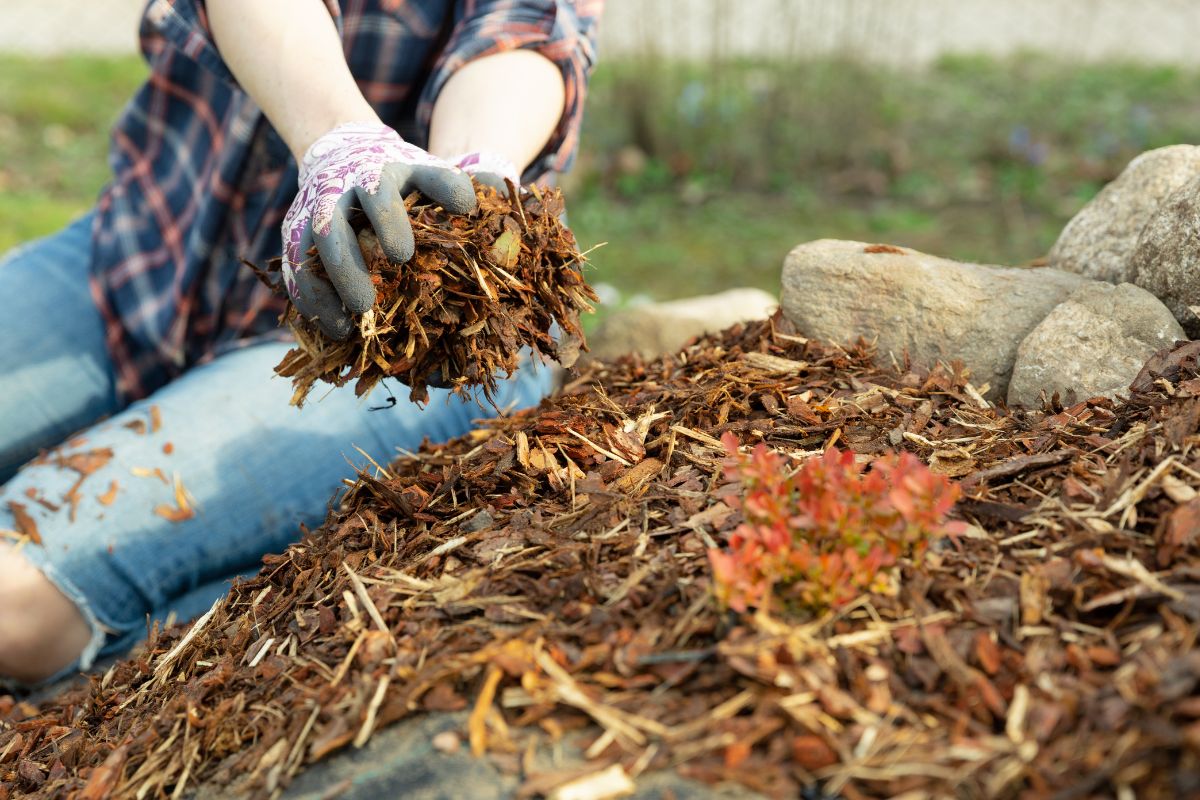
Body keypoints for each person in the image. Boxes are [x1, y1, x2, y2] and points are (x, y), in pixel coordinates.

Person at [0, 0, 601, 686]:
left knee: (15, 606)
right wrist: (341, 143)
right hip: (145, 253)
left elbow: (523, 32)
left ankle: (223, 613)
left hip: (380, 345)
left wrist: (472, 173)